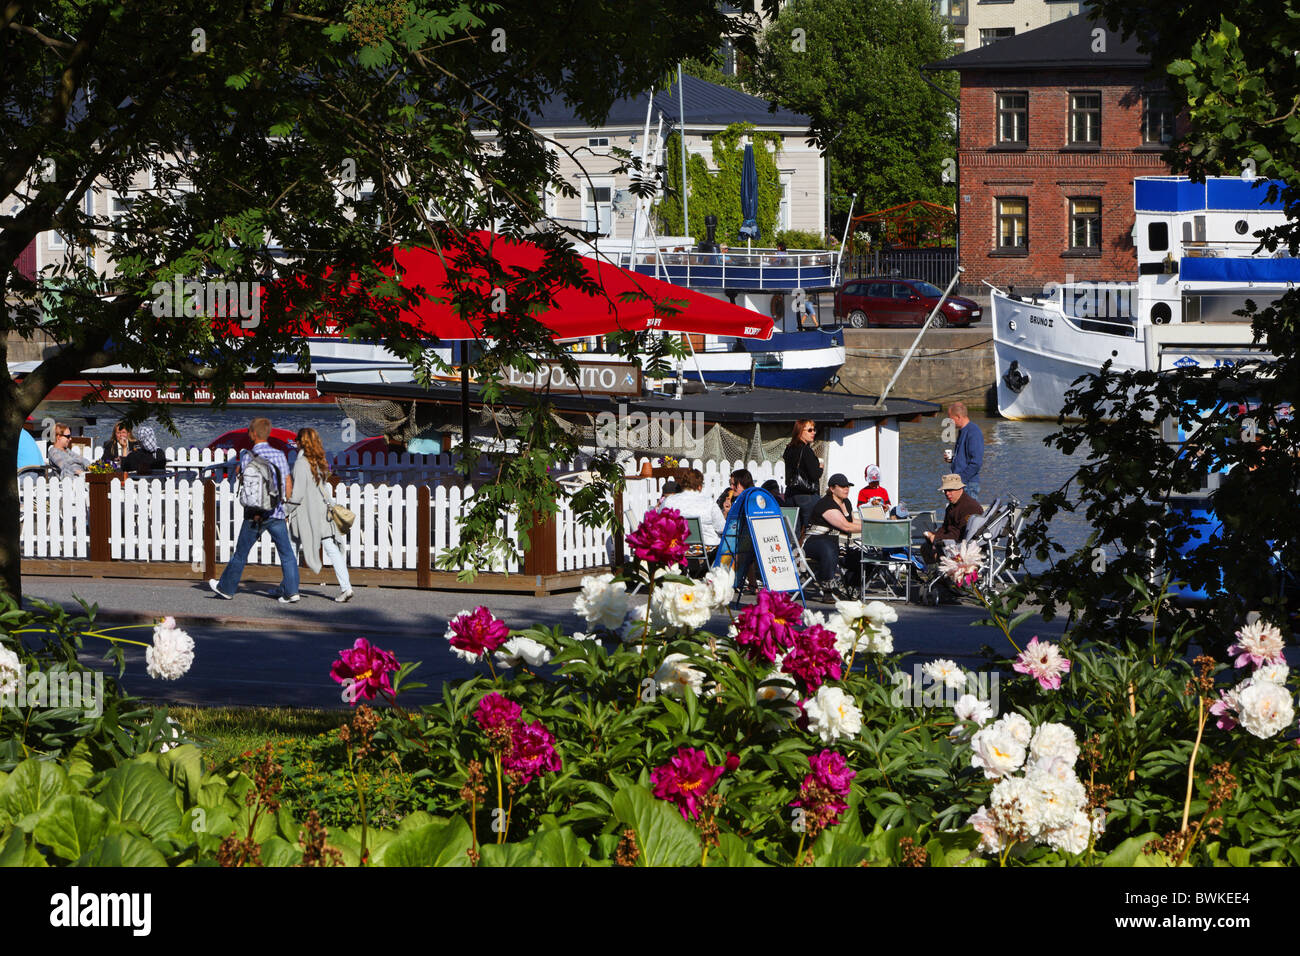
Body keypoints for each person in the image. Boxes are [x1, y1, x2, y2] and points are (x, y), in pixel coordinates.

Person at [209, 417, 300, 603]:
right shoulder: (279, 455)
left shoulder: (247, 456)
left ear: (253, 434)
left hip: (254, 514)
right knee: (287, 554)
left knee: (241, 553)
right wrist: (285, 504)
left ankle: (226, 588)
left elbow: (240, 479)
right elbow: (287, 483)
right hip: (275, 512)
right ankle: (292, 592)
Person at [286, 427, 353, 602]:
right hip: (320, 512)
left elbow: (298, 494)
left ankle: (289, 588)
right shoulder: (319, 460)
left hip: (305, 514)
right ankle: (346, 587)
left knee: (291, 549)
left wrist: (285, 510)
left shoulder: (301, 463)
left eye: (297, 439)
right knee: (331, 549)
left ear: (302, 442)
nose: (295, 442)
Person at [804, 473, 862, 600]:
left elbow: (852, 521)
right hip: (814, 542)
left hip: (837, 542)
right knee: (829, 547)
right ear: (832, 488)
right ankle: (827, 589)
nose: (846, 489)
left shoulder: (846, 502)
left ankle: (849, 586)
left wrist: (876, 525)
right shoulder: (826, 504)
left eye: (848, 486)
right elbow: (846, 526)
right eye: (842, 486)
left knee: (862, 555)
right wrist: (871, 528)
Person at [921, 473, 984, 565]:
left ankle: (942, 576)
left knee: (934, 550)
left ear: (960, 489)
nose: (947, 494)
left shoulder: (970, 507)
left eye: (950, 490)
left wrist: (937, 538)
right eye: (945, 491)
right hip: (951, 542)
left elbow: (961, 534)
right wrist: (932, 536)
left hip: (964, 546)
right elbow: (945, 528)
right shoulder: (951, 507)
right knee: (926, 547)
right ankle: (936, 575)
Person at [660, 468, 725, 547]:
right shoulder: (709, 503)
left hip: (677, 548)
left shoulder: (668, 501)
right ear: (699, 486)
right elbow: (722, 528)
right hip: (706, 548)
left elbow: (659, 523)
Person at [782, 419, 822, 534]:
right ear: (800, 432)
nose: (813, 432)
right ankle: (808, 551)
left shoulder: (788, 449)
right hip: (806, 495)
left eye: (814, 429)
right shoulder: (806, 450)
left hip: (790, 494)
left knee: (792, 531)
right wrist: (820, 467)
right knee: (812, 528)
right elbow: (814, 475)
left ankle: (794, 551)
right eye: (809, 430)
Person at [944, 402, 983, 497]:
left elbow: (976, 463)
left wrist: (960, 480)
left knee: (966, 511)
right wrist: (952, 459)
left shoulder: (973, 432)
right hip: (960, 484)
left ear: (958, 416)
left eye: (950, 418)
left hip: (968, 485)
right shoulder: (963, 431)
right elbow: (965, 458)